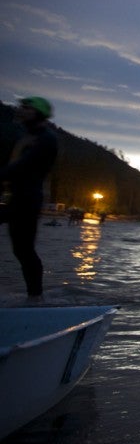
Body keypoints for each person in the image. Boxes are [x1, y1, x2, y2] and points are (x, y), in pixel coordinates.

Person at [0, 97, 58, 300]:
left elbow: (22, 166)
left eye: (27, 108)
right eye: (21, 107)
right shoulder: (24, 136)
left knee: (23, 250)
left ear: (38, 113)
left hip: (28, 199)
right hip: (14, 196)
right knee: (23, 250)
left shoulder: (47, 139)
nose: (21, 110)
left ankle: (35, 297)